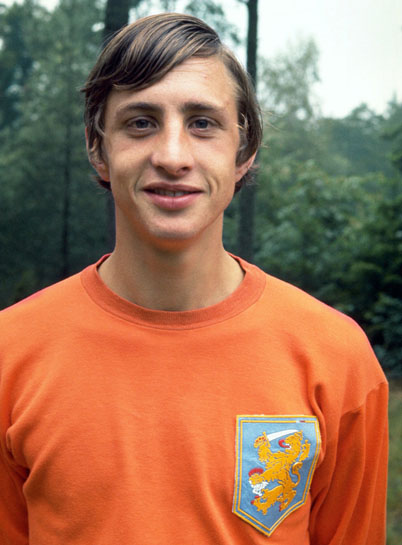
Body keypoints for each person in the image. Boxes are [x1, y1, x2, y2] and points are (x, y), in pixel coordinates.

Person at [0, 13, 388, 545]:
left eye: (202, 123)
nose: (172, 156)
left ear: (243, 150)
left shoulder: (336, 360)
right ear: (97, 147)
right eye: (141, 123)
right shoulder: (10, 353)